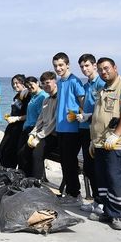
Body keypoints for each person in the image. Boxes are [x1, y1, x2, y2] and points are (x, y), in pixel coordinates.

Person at [88, 57, 121, 231]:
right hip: (101, 143)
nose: (103, 72)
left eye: (106, 68)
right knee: (103, 179)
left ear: (115, 67)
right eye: (100, 69)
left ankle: (117, 215)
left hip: (118, 145)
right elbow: (98, 118)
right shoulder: (103, 90)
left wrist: (116, 135)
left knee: (115, 179)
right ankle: (107, 211)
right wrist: (93, 141)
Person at [53, 52, 86, 205]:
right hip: (61, 128)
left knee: (70, 162)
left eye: (60, 65)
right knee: (65, 162)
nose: (58, 68)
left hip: (72, 129)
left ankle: (75, 194)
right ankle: (71, 193)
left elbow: (83, 103)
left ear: (67, 65)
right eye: (55, 66)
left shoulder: (75, 81)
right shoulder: (59, 82)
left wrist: (80, 115)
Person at [76, 54, 106, 215]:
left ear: (94, 65)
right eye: (82, 66)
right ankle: (96, 200)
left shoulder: (101, 83)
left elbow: (103, 107)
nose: (84, 69)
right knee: (88, 167)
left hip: (96, 131)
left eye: (87, 65)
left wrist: (89, 115)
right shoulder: (87, 85)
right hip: (84, 129)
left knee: (97, 167)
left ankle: (102, 202)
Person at [23, 72, 58, 179]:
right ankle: (27, 180)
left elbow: (53, 122)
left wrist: (39, 137)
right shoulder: (46, 99)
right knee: (23, 153)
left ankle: (37, 183)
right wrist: (33, 134)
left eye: (48, 82)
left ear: (55, 82)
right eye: (43, 83)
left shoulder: (59, 98)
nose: (46, 85)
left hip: (53, 135)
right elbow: (40, 120)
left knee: (36, 154)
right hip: (43, 134)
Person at [16, 76, 48, 170]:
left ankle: (29, 178)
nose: (29, 87)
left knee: (24, 155)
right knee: (20, 154)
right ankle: (23, 177)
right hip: (27, 128)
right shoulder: (33, 96)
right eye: (27, 85)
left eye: (31, 84)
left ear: (37, 83)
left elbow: (42, 117)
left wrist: (35, 133)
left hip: (34, 128)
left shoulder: (43, 96)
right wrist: (24, 91)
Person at [0, 74, 29, 167]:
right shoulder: (17, 96)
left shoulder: (28, 96)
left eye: (17, 83)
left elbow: (30, 115)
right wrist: (10, 117)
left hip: (20, 127)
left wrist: (16, 118)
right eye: (13, 84)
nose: (15, 85)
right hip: (12, 126)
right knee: (2, 150)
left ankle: (11, 172)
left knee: (10, 152)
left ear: (23, 83)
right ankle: (6, 171)